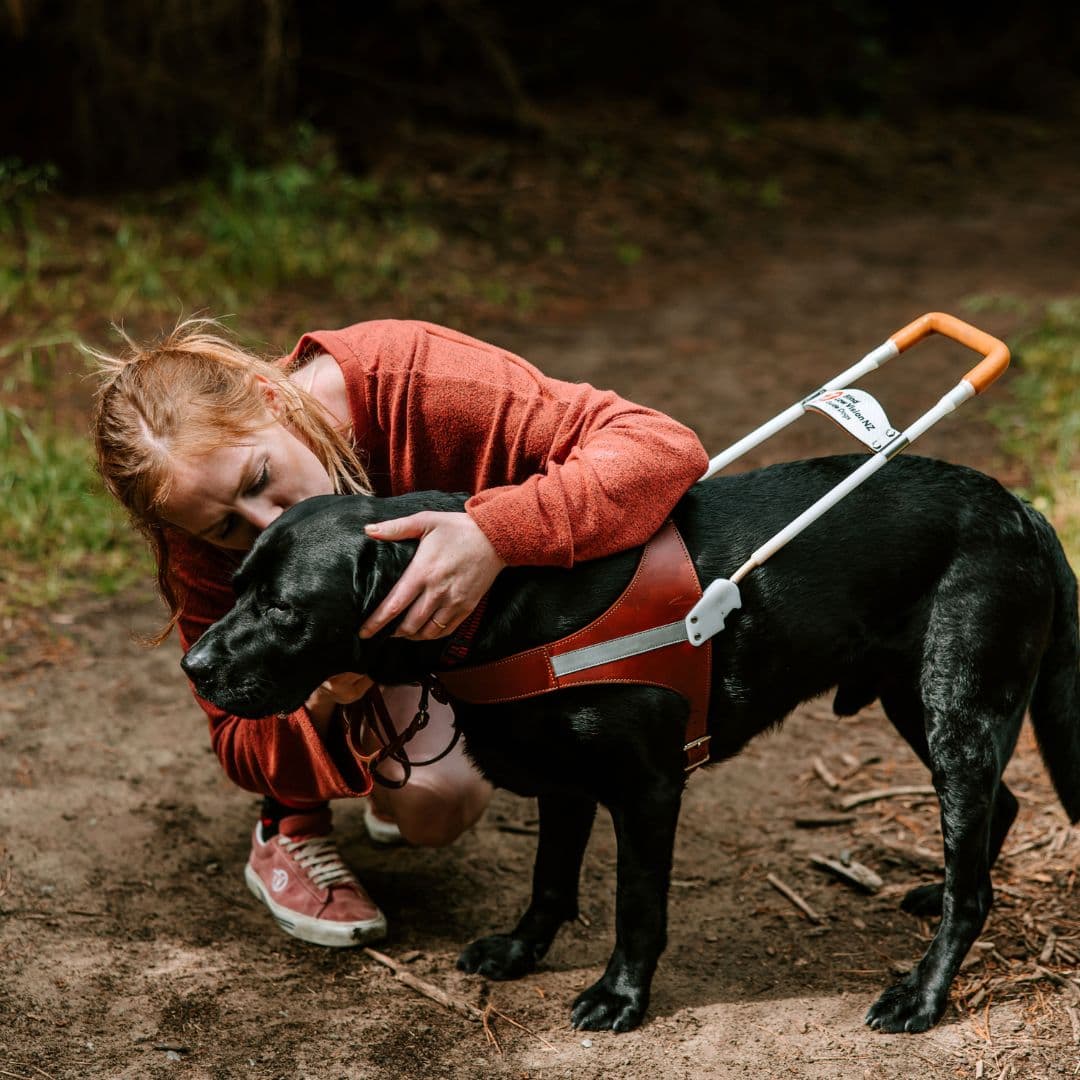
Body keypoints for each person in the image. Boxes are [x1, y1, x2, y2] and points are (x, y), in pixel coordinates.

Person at [91, 316, 708, 948]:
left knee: (435, 805)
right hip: (346, 678)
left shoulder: (411, 379)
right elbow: (238, 737)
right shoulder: (195, 526)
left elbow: (661, 446)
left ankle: (380, 759)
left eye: (259, 479)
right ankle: (289, 825)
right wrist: (329, 698)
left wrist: (495, 534)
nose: (269, 521)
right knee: (389, 762)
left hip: (460, 634)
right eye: (227, 529)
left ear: (269, 395)